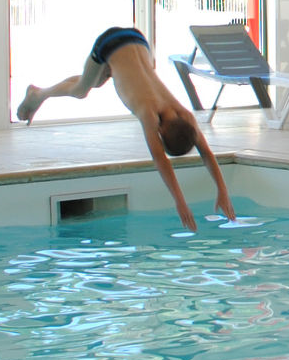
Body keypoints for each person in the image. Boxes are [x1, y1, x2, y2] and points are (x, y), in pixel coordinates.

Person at [17, 25, 233, 232]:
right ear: (162, 131)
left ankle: (79, 81)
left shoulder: (184, 115)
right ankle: (38, 94)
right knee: (81, 89)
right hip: (108, 45)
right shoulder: (149, 114)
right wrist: (179, 202)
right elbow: (160, 160)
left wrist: (223, 191)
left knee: (96, 81)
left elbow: (206, 153)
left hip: (138, 40)